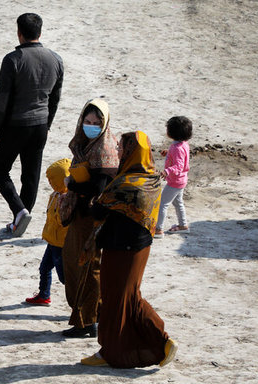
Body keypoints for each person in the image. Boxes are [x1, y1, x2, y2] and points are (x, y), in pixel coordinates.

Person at [80, 131, 178, 368]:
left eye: (122, 148)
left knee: (115, 299)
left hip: (120, 249)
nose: (118, 151)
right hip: (140, 248)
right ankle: (158, 342)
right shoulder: (152, 178)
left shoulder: (125, 184)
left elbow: (98, 212)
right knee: (129, 295)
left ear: (132, 152)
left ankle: (120, 350)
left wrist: (92, 196)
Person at [0, 12, 64, 237]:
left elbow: (1, 98)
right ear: (39, 32)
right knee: (31, 175)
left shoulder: (13, 60)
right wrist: (48, 123)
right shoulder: (56, 59)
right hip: (40, 125)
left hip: (14, 126)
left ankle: (20, 211)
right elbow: (55, 97)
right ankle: (20, 220)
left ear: (19, 33)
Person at [61, 99, 119, 338]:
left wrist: (72, 184)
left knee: (87, 267)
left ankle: (87, 322)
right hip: (81, 213)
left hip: (92, 217)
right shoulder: (86, 144)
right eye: (87, 121)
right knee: (76, 263)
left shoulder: (104, 149)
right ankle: (93, 314)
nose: (91, 126)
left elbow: (99, 187)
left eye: (96, 123)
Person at [25, 158, 71, 306]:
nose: (50, 182)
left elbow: (62, 222)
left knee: (65, 277)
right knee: (44, 267)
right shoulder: (55, 195)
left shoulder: (67, 199)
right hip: (52, 240)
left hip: (61, 244)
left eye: (53, 180)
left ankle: (78, 299)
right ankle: (44, 295)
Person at [154, 116, 193, 238]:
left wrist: (166, 171)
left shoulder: (177, 148)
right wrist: (168, 152)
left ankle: (158, 229)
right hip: (181, 181)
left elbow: (179, 166)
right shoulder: (182, 144)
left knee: (162, 204)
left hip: (175, 182)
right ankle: (183, 225)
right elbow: (179, 157)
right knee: (178, 202)